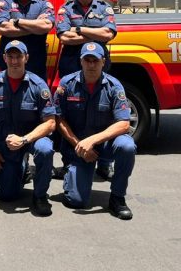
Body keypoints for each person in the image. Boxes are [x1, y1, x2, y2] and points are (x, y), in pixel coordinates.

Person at [54, 43, 136, 220]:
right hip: (77, 147)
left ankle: (117, 198)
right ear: (81, 61)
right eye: (87, 60)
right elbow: (58, 119)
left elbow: (124, 123)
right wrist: (79, 145)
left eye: (95, 61)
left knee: (127, 146)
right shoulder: (67, 84)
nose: (91, 65)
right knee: (76, 201)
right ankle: (71, 171)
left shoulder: (114, 86)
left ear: (103, 62)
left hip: (104, 144)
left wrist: (92, 141)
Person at [0, 40, 56, 216]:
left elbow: (50, 123)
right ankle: (21, 168)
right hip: (7, 142)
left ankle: (40, 196)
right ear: (4, 58)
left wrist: (24, 140)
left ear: (26, 58)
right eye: (11, 57)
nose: (14, 61)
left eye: (19, 57)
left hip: (33, 138)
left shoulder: (38, 85)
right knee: (7, 195)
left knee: (45, 150)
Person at [55, 0, 117, 180]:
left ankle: (105, 163)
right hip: (71, 67)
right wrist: (94, 34)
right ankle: (68, 162)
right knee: (69, 116)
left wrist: (79, 29)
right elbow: (64, 37)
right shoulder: (65, 9)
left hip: (98, 67)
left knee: (104, 112)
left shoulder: (104, 8)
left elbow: (108, 34)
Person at [0, 0, 54, 83]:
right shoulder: (5, 3)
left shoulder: (44, 4)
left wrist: (17, 22)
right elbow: (3, 28)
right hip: (10, 64)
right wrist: (35, 26)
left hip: (36, 63)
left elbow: (46, 26)